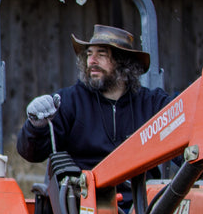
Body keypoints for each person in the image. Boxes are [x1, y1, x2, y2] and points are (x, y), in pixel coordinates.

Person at [17, 25, 171, 180]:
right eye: (89, 54)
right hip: (83, 197)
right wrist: (36, 126)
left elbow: (185, 134)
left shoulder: (152, 103)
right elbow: (31, 153)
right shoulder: (69, 101)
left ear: (124, 62)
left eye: (101, 54)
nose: (92, 61)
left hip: (145, 199)